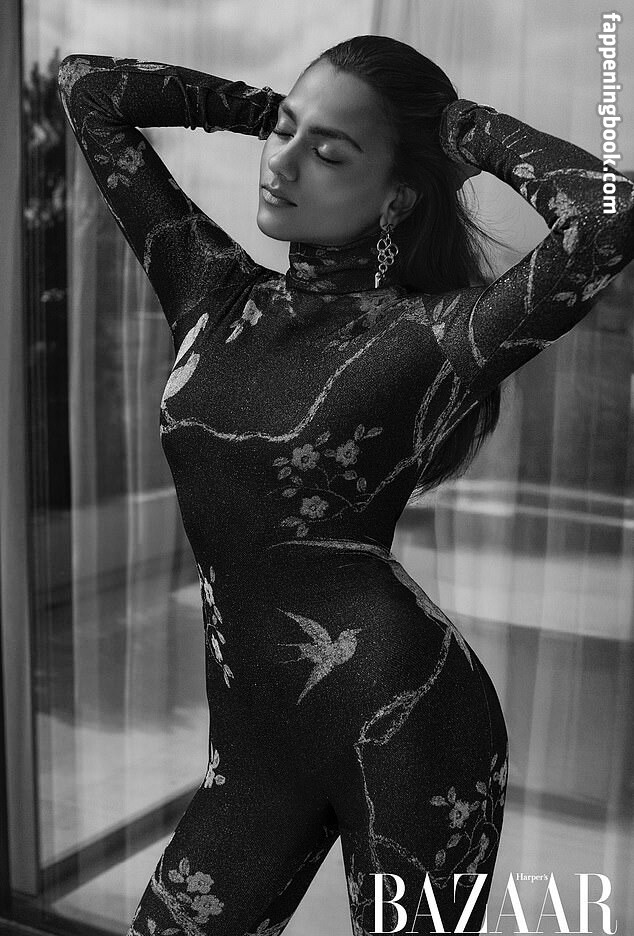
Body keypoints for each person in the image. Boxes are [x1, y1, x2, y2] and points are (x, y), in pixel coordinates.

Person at [57, 33, 633, 936]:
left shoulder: (434, 335)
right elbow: (89, 90)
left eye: (328, 152)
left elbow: (608, 216)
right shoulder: (214, 292)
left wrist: (456, 128)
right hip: (251, 748)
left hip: (412, 724)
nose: (282, 163)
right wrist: (260, 109)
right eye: (283, 134)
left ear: (397, 196)